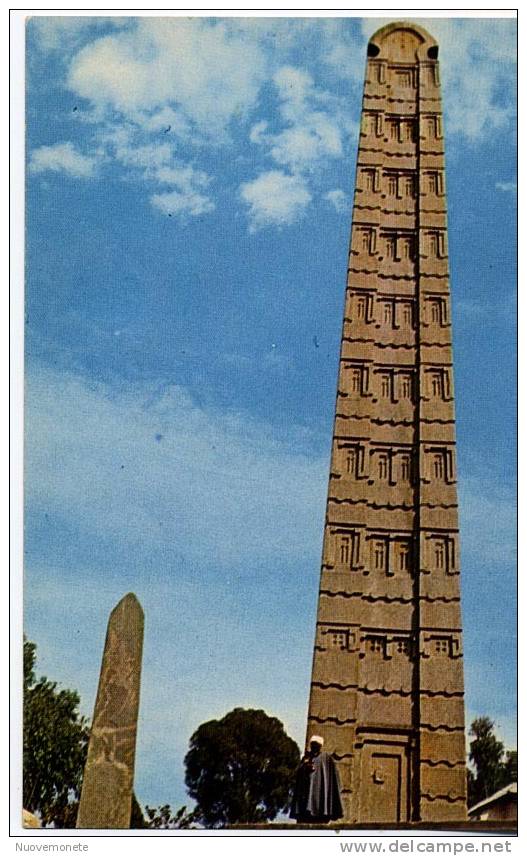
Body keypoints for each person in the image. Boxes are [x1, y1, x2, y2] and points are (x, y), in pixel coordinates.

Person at [290, 735, 343, 823]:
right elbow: (299, 778)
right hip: (306, 796)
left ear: (320, 746)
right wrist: (304, 768)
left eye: (316, 745)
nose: (314, 747)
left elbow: (333, 780)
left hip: (320, 798)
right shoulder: (306, 758)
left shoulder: (327, 759)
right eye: (312, 745)